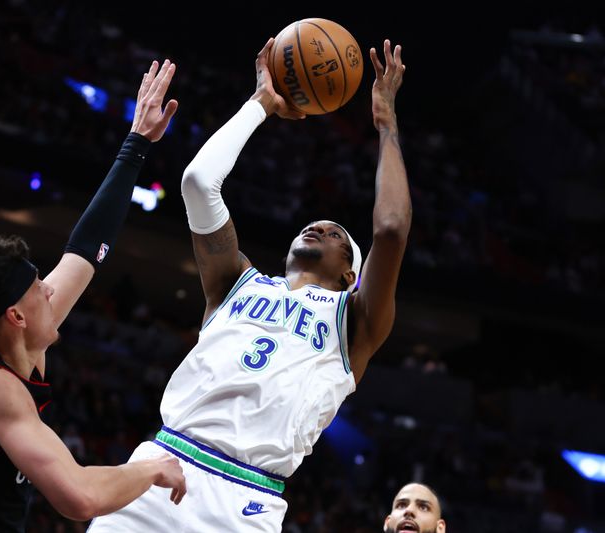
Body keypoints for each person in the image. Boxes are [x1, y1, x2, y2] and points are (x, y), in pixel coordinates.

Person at [90, 37, 410, 532]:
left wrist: (387, 126)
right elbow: (198, 182)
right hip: (160, 465)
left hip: (248, 499)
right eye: (313, 225)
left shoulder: (355, 322)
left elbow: (390, 229)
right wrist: (261, 103)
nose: (318, 228)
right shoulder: (235, 282)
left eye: (335, 235)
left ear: (351, 275)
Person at [0, 59, 186, 532]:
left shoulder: (21, 337)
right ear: (15, 315)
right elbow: (79, 498)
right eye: (38, 288)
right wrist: (154, 466)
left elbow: (86, 249)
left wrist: (136, 144)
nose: (51, 287)